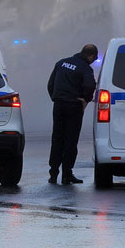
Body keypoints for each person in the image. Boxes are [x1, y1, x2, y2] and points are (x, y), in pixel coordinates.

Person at [46, 43, 98, 185]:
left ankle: (53, 173)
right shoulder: (85, 68)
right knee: (70, 140)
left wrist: (56, 97)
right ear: (91, 55)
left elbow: (50, 84)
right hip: (74, 106)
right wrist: (85, 100)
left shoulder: (61, 63)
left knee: (57, 138)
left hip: (59, 105)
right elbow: (90, 85)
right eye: (94, 59)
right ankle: (67, 174)